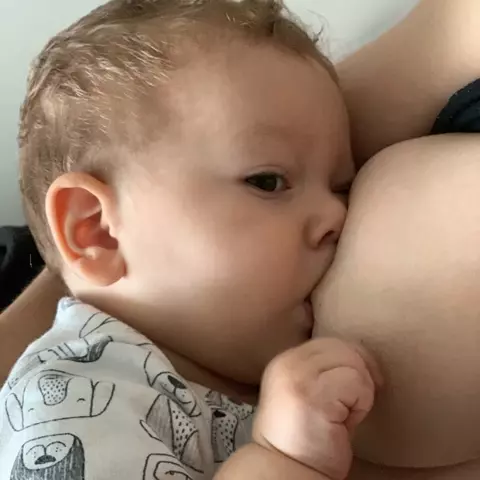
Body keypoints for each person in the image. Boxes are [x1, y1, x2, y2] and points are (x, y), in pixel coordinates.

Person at [1, 0, 480, 477]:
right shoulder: (70, 399)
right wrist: (282, 461)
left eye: (341, 187)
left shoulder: (236, 375)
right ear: (97, 231)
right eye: (268, 181)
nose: (338, 214)